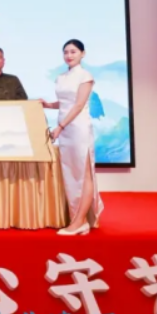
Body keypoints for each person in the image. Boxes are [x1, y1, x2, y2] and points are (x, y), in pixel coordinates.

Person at [40, 39, 104, 236]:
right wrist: (48, 105)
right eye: (66, 52)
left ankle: (79, 221)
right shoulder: (61, 77)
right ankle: (79, 220)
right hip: (65, 128)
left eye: (73, 51)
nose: (69, 55)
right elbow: (65, 103)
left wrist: (60, 126)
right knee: (71, 174)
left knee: (84, 174)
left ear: (82, 54)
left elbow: (78, 105)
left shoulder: (85, 76)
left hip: (78, 128)